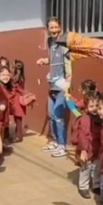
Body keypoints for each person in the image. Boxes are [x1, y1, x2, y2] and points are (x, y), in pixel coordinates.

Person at [36, 17, 71, 157]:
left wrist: (68, 83)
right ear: (48, 29)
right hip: (52, 85)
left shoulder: (65, 43)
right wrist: (43, 61)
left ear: (60, 27)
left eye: (56, 27)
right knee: (51, 115)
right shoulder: (49, 41)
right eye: (52, 28)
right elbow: (51, 60)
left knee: (58, 116)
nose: (54, 30)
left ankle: (62, 146)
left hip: (62, 85)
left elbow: (68, 64)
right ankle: (55, 142)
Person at [73, 92, 102, 200]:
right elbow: (83, 136)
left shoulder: (99, 117)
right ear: (86, 106)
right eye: (91, 106)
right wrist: (84, 150)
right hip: (87, 148)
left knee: (96, 168)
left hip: (97, 148)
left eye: (97, 106)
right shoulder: (85, 119)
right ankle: (83, 187)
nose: (94, 108)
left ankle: (96, 185)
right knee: (85, 168)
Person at [9, 60, 28, 142]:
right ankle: (17, 135)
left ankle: (18, 136)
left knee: (18, 120)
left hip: (16, 100)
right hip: (19, 100)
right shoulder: (21, 77)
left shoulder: (15, 78)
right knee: (18, 119)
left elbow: (14, 89)